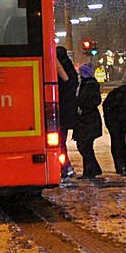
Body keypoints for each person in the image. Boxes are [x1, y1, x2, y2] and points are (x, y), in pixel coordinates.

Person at [73, 63, 103, 179]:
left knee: (85, 146)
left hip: (88, 120)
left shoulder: (90, 84)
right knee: (85, 146)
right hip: (86, 120)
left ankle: (90, 171)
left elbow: (88, 101)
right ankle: (92, 170)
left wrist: (82, 106)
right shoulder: (86, 84)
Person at [55, 46, 79, 178]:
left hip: (61, 113)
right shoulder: (70, 70)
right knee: (61, 142)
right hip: (67, 114)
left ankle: (64, 167)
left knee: (59, 143)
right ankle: (65, 167)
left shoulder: (60, 70)